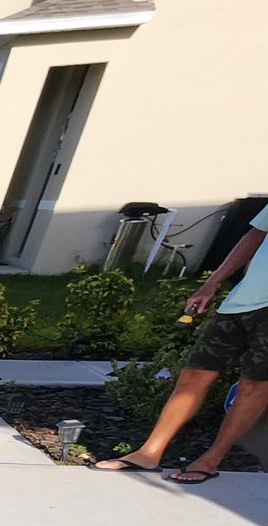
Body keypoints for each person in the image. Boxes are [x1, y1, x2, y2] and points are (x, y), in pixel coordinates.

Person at [94, 204, 268, 483]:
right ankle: (149, 453)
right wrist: (210, 285)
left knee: (254, 385)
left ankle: (211, 460)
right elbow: (254, 236)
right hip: (240, 303)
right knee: (193, 376)